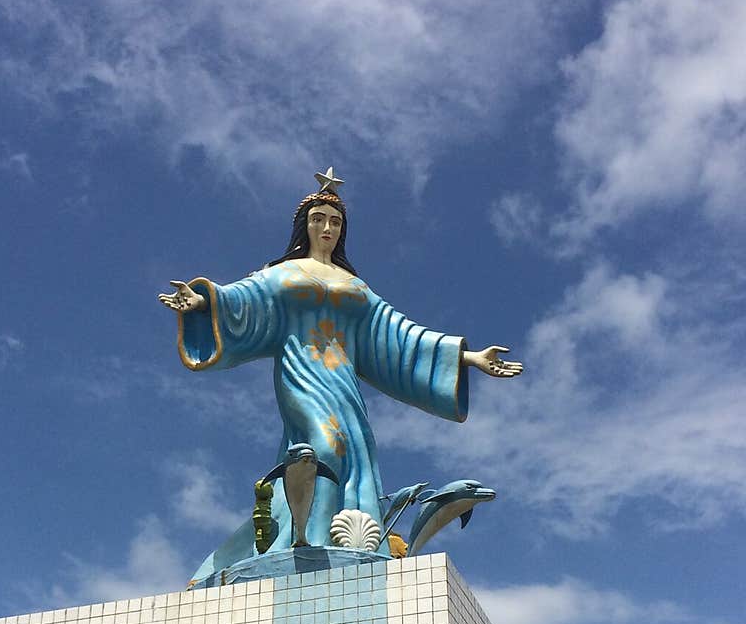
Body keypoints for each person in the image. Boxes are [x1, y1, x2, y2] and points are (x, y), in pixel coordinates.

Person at [159, 173, 522, 581]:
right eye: (319, 219)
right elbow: (243, 297)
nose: (327, 228)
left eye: (335, 221)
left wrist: (469, 357)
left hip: (343, 381)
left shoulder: (355, 286)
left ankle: (349, 539)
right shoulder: (285, 272)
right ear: (305, 226)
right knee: (321, 446)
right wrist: (202, 302)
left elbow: (399, 335)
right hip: (302, 371)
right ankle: (306, 541)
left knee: (353, 451)